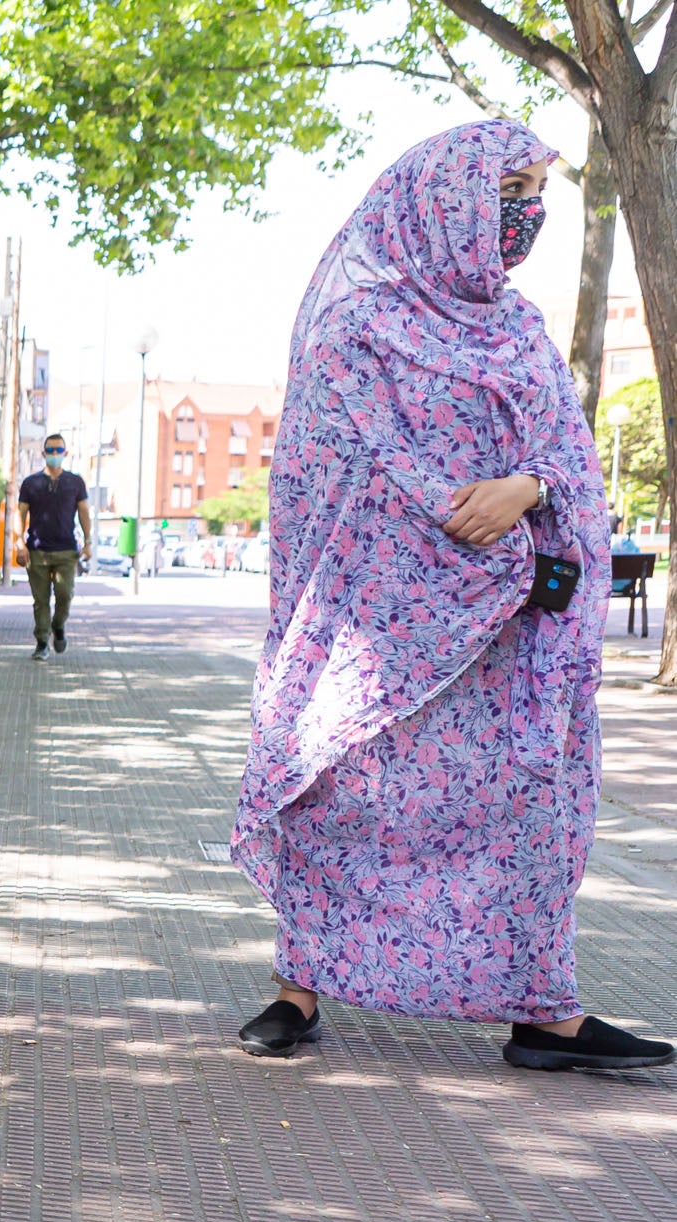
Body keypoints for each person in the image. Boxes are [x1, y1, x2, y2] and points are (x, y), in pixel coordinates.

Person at [231, 121, 672, 1073]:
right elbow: (323, 477)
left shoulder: (518, 329)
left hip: (507, 634)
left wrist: (529, 490)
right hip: (380, 624)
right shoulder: (356, 328)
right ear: (447, 202)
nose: (529, 214)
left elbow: (569, 456)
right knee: (333, 783)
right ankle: (296, 989)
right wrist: (437, 527)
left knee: (533, 800)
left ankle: (545, 1013)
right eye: (510, 192)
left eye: (535, 192)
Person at [14, 432, 92, 659]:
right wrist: (20, 543)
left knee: (64, 595)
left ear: (65, 454)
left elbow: (84, 512)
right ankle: (41, 643)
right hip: (37, 550)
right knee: (40, 601)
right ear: (43, 453)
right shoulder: (31, 483)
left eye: (59, 450)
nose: (54, 454)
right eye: (50, 450)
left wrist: (87, 542)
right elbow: (20, 513)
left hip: (66, 551)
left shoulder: (75, 482)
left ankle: (58, 626)